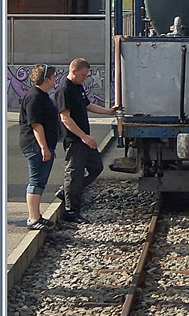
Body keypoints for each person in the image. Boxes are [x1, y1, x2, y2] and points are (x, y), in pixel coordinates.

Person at [55, 58, 117, 223]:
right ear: (74, 72)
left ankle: (67, 192)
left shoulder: (77, 87)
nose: (85, 78)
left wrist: (108, 111)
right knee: (74, 174)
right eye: (83, 75)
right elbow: (65, 118)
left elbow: (88, 105)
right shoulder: (64, 90)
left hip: (84, 139)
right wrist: (84, 136)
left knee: (96, 167)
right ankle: (71, 211)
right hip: (75, 139)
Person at [18, 64, 59, 230]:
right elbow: (36, 124)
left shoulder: (41, 95)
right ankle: (33, 218)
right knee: (36, 181)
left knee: (40, 181)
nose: (55, 79)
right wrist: (44, 147)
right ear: (46, 79)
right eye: (53, 77)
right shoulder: (34, 96)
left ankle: (36, 216)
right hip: (34, 145)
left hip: (42, 144)